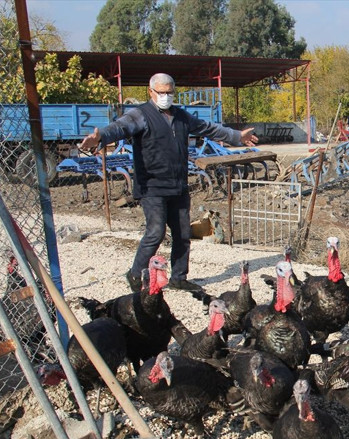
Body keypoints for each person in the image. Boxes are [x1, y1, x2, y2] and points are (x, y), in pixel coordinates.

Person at [80, 73, 257, 292]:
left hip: (178, 185)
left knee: (183, 234)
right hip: (152, 186)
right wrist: (100, 138)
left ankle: (179, 278)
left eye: (169, 92)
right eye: (161, 92)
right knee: (155, 232)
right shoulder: (140, 115)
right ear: (150, 92)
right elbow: (119, 127)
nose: (165, 96)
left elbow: (209, 128)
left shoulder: (182, 116)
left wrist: (236, 136)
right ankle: (135, 274)